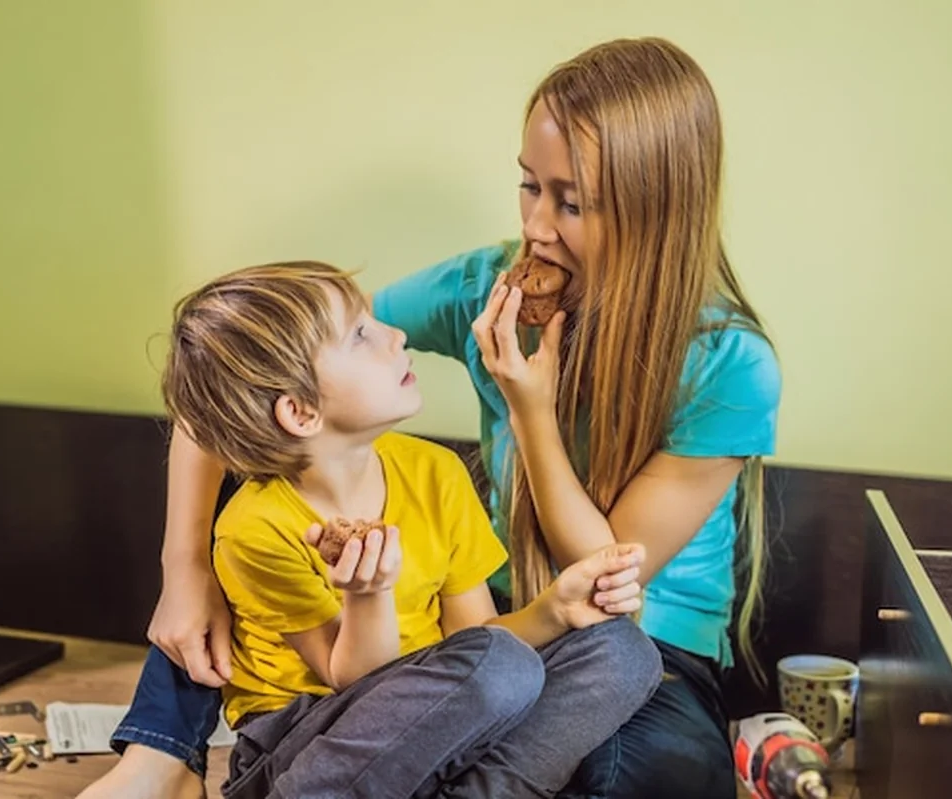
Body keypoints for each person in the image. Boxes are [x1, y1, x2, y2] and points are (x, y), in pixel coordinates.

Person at [97, 35, 781, 799]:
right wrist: (182, 565)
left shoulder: (729, 364)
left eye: (573, 203)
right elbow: (246, 370)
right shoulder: (488, 286)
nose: (537, 227)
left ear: (660, 209)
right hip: (476, 617)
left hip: (634, 626)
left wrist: (532, 414)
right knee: (261, 496)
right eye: (530, 186)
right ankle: (159, 752)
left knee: (635, 727)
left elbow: (609, 575)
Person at [80, 261, 661, 799]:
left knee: (624, 652)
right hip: (308, 737)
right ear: (300, 411)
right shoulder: (255, 529)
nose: (396, 336)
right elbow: (356, 680)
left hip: (440, 726)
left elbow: (476, 637)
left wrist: (556, 611)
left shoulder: (435, 472)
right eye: (360, 335)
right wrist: (367, 593)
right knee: (500, 667)